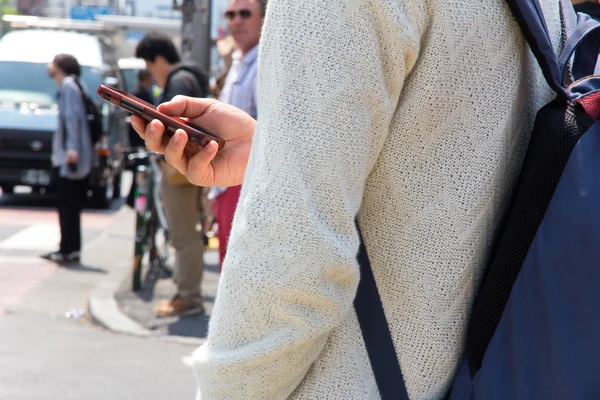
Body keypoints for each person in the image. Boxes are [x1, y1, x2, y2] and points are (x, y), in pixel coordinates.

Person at [132, 0, 564, 398]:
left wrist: (227, 390)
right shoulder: (553, 5)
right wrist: (273, 151)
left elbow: (295, 247)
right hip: (488, 374)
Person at [135, 32, 209, 317]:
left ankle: (189, 298)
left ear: (159, 59)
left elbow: (177, 128)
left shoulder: (178, 81)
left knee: (183, 235)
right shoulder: (191, 75)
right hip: (189, 167)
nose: (151, 73)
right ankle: (186, 294)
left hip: (180, 168)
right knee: (188, 234)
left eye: (150, 64)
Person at [209, 0, 264, 270]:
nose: (236, 21)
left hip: (246, 182)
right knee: (227, 267)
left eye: (245, 13)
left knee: (238, 270)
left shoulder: (265, 63)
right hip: (226, 181)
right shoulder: (239, 62)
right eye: (231, 14)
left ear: (264, 19)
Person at [42, 54, 93, 265]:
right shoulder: (78, 85)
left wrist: (72, 149)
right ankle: (71, 249)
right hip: (80, 156)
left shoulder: (68, 86)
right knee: (73, 206)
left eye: (52, 62)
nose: (49, 66)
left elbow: (72, 118)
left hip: (71, 159)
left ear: (60, 67)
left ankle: (66, 250)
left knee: (67, 205)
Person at [126, 68, 154, 208]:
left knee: (138, 174)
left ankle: (132, 200)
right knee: (140, 174)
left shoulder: (137, 93)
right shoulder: (140, 94)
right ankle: (133, 200)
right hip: (139, 140)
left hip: (138, 139)